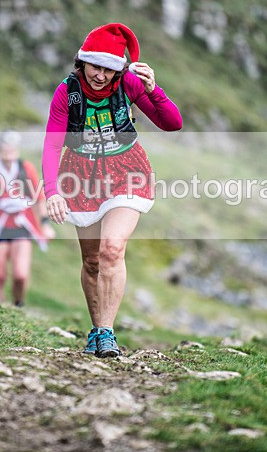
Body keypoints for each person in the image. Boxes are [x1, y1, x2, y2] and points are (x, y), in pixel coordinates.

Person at [42, 23, 183, 357]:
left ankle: (107, 332)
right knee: (92, 261)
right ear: (82, 62)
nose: (101, 76)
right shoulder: (67, 92)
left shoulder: (130, 83)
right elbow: (52, 144)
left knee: (112, 249)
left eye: (108, 69)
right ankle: (96, 330)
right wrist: (52, 191)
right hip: (82, 175)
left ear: (118, 69)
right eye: (95, 67)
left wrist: (153, 90)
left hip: (126, 171)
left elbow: (172, 123)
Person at [0, 130, 54, 307]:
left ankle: (18, 305)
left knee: (20, 275)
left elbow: (39, 198)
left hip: (21, 226)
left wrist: (45, 224)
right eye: (5, 148)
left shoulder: (26, 169)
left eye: (12, 148)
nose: (9, 152)